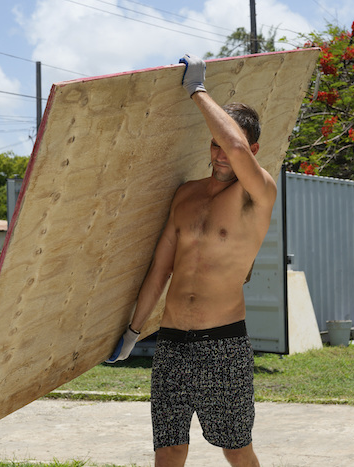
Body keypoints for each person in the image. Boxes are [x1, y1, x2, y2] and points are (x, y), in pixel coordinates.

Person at [106, 53, 276, 467]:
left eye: (229, 147)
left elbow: (236, 146)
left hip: (224, 344)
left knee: (236, 449)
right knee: (169, 449)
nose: (220, 154)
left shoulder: (258, 194)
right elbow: (160, 269)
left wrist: (197, 88)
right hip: (171, 344)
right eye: (214, 144)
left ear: (252, 151)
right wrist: (132, 332)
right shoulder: (185, 195)